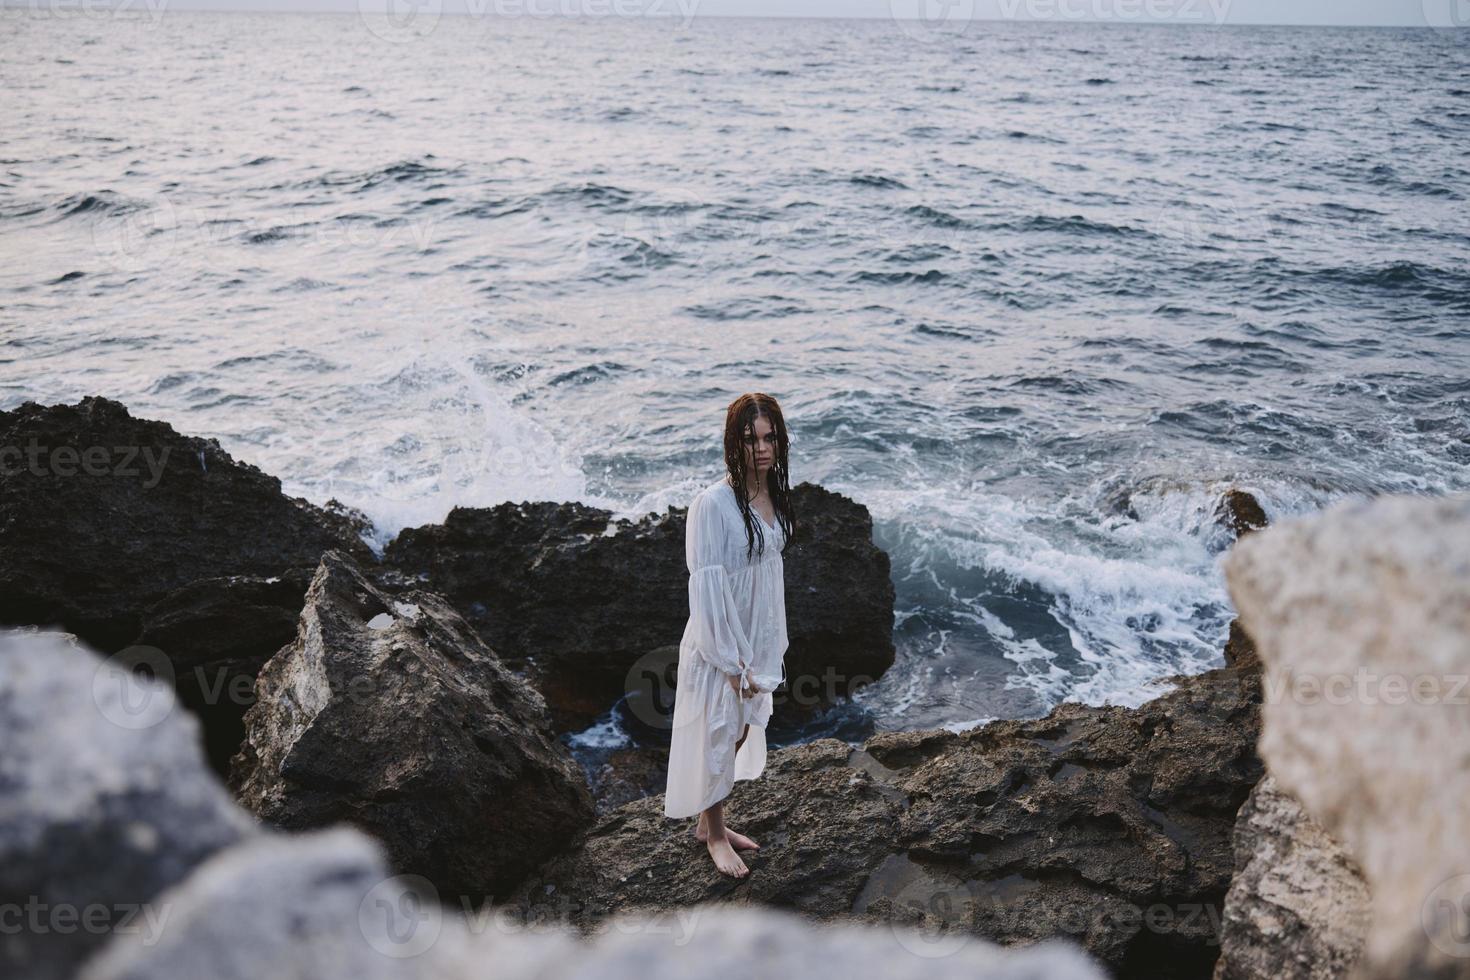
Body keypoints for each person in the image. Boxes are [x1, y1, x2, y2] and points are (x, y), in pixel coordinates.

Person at [663, 392, 794, 879]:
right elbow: (708, 588)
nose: (760, 448)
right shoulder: (712, 505)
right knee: (719, 733)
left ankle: (707, 820)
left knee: (739, 730)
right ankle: (714, 833)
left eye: (768, 437)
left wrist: (767, 644)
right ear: (731, 444)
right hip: (721, 641)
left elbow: (769, 573)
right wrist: (731, 660)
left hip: (755, 634)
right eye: (749, 439)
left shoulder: (773, 494)